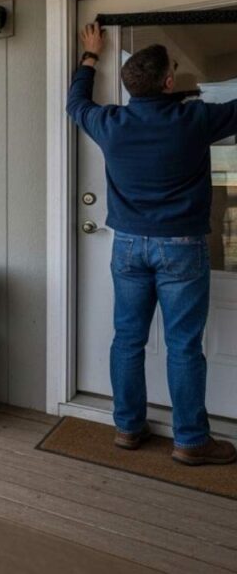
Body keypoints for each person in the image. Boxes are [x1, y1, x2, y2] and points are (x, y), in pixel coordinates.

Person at [66, 23, 237, 466]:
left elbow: (76, 103)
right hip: (180, 248)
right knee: (183, 345)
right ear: (166, 82)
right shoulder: (195, 119)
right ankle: (191, 441)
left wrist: (90, 56)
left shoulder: (110, 123)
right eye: (174, 71)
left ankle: (127, 429)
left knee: (127, 340)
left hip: (127, 248)